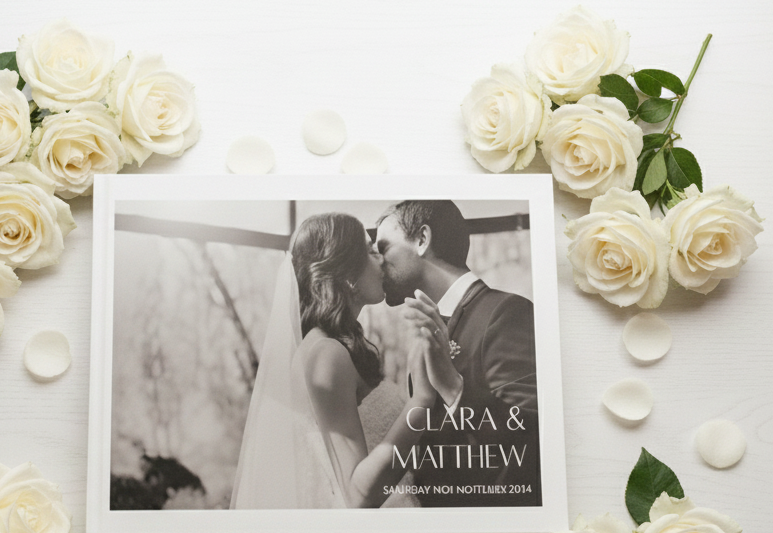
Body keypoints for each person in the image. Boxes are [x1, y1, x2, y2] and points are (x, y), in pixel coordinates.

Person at [230, 213, 438, 509]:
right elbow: (356, 496)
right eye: (369, 251)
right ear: (344, 273)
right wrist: (422, 400)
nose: (380, 260)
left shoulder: (332, 348)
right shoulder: (326, 355)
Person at [374, 200, 541, 507]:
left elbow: (531, 442)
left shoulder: (507, 313)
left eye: (383, 248)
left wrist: (453, 386)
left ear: (422, 240)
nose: (377, 262)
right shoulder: (425, 328)